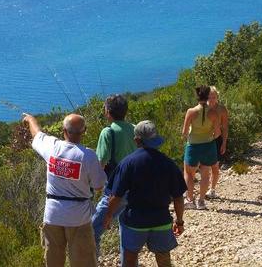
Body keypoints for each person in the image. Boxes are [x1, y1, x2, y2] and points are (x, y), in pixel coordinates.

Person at [22, 112, 107, 267]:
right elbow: (99, 185)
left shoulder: (52, 147)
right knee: (83, 260)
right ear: (84, 131)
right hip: (79, 217)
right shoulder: (88, 156)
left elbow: (37, 134)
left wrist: (30, 119)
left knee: (53, 260)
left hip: (53, 215)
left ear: (64, 131)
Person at [103, 120, 187, 267]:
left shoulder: (128, 163)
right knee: (163, 259)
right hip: (161, 220)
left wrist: (108, 216)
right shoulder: (168, 163)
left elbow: (116, 196)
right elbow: (178, 198)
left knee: (130, 259)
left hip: (135, 221)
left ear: (137, 140)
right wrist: (179, 221)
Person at [92, 94, 137, 254]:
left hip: (115, 191)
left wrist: (94, 186)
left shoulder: (108, 132)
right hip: (135, 189)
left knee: (91, 231)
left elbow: (100, 163)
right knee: (127, 233)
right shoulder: (135, 128)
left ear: (107, 112)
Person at [181, 85, 220, 210]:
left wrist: (189, 137)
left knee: (189, 173)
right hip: (209, 145)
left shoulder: (191, 112)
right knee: (205, 173)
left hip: (193, 145)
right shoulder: (214, 113)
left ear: (197, 96)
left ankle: (190, 200)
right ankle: (201, 202)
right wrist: (209, 137)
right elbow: (217, 133)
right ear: (208, 96)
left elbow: (184, 132)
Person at [206, 86, 229, 199]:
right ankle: (200, 190)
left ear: (217, 97)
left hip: (216, 140)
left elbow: (225, 127)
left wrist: (224, 142)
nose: (211, 99)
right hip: (202, 140)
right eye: (209, 97)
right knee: (201, 166)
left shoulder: (222, 109)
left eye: (213, 97)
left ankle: (212, 189)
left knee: (215, 166)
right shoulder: (201, 108)